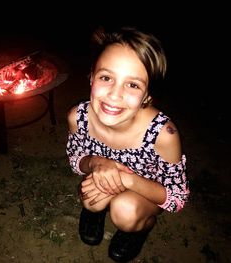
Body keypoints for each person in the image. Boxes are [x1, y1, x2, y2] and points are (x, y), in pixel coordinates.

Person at [66, 26, 190, 262]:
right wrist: (96, 162)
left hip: (144, 192)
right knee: (91, 199)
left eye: (132, 84)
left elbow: (176, 198)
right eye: (106, 77)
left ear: (147, 94)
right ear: (92, 76)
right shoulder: (78, 117)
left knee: (125, 211)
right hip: (104, 178)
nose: (114, 95)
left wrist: (126, 179)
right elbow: (75, 159)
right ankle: (95, 213)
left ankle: (139, 229)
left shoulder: (164, 134)